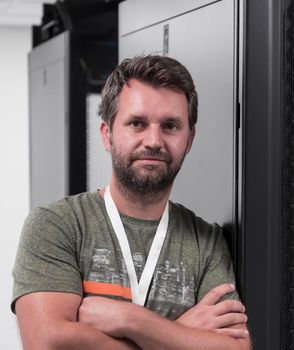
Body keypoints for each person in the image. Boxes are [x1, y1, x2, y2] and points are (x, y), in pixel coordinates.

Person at [12, 55, 251, 350]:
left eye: (170, 126)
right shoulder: (57, 224)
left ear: (189, 140)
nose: (153, 140)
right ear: (107, 135)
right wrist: (180, 333)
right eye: (137, 123)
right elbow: (47, 343)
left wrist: (130, 320)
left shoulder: (207, 242)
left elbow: (235, 347)